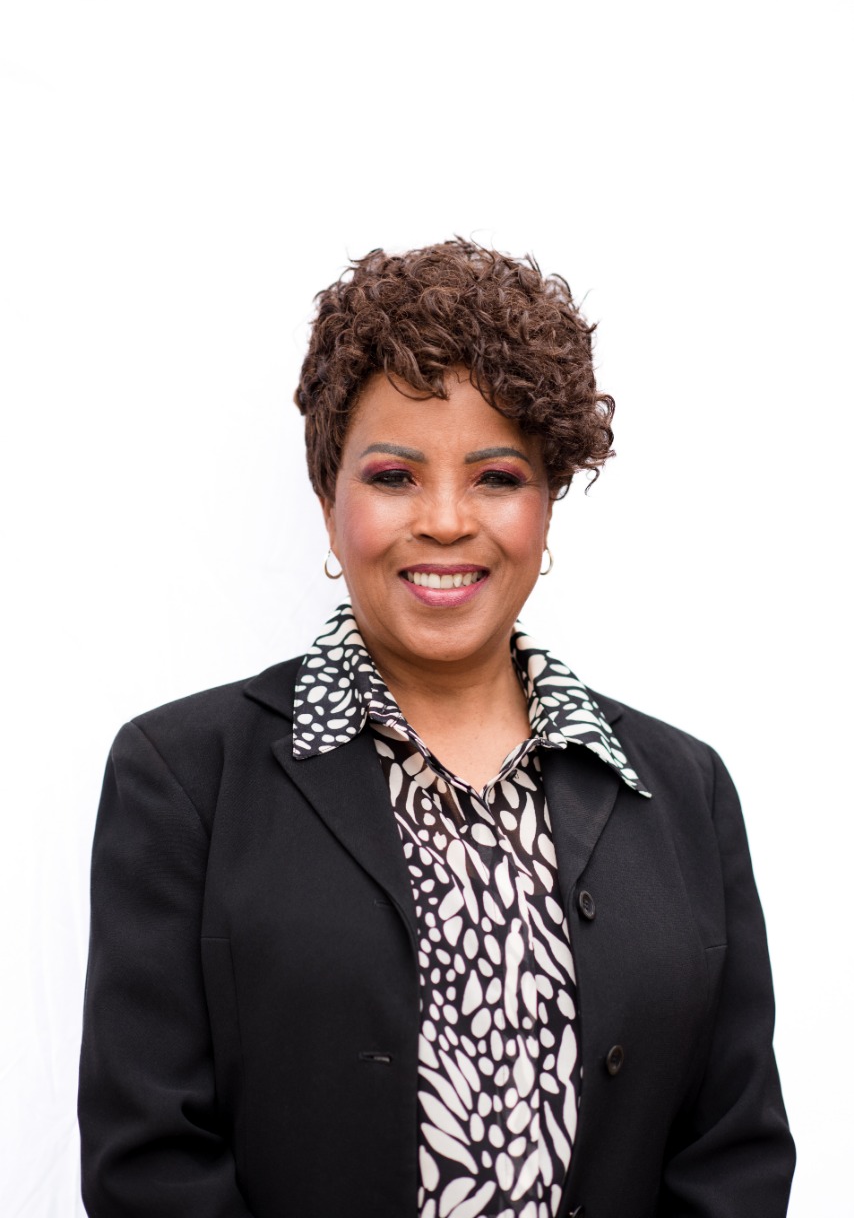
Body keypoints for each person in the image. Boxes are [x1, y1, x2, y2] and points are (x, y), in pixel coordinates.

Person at [78, 240, 795, 1218]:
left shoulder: (680, 790)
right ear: (329, 499)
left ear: (547, 502)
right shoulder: (181, 780)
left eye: (496, 476)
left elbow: (733, 1152)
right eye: (394, 476)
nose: (448, 520)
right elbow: (149, 1164)